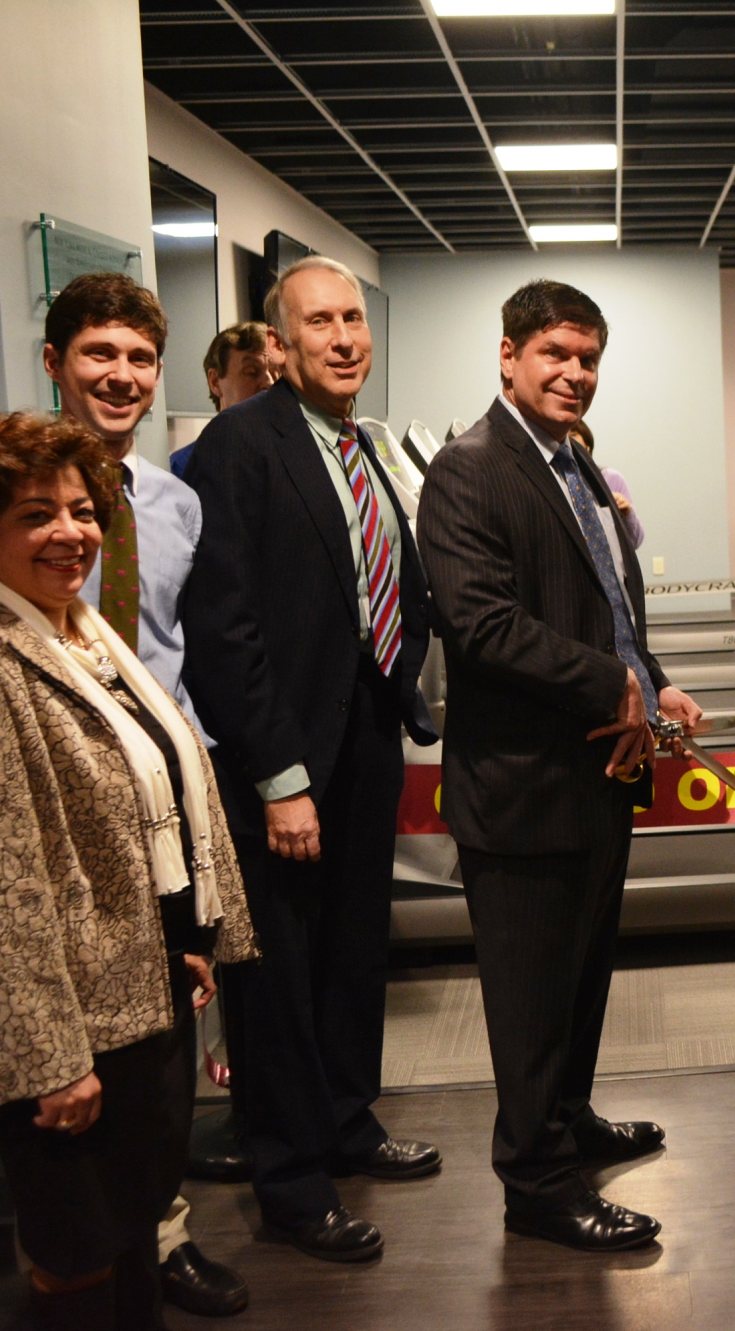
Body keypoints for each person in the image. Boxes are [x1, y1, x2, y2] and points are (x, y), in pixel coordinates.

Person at [0, 273, 247, 1317]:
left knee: (138, 1196)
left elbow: (170, 706)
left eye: (79, 512)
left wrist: (190, 921)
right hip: (65, 960)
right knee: (81, 1240)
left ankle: (155, 1248)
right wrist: (46, 1054)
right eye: (37, 516)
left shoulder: (111, 585)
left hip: (141, 921)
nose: (68, 532)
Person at [417, 279, 704, 1252]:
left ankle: (568, 1120)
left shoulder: (577, 464)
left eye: (587, 360)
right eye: (554, 356)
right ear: (507, 356)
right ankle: (536, 1180)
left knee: (580, 978)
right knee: (530, 996)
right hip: (521, 785)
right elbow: (482, 624)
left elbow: (614, 609)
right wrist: (609, 688)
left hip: (596, 775)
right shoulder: (468, 469)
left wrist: (652, 684)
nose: (574, 375)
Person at [181, 256, 440, 1263]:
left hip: (366, 739)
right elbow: (224, 623)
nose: (342, 338)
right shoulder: (238, 447)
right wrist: (279, 775)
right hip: (285, 762)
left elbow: (382, 574)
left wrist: (404, 677)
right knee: (278, 973)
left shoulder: (360, 444)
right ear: (278, 346)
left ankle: (345, 1121)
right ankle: (290, 1180)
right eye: (318, 323)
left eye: (352, 321)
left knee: (350, 949)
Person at [169, 321, 276, 479]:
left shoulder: (295, 457)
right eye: (252, 372)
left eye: (276, 373)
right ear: (215, 381)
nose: (270, 382)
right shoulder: (184, 467)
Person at [570, 419, 644, 547]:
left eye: (573, 435)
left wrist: (627, 513)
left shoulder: (611, 479)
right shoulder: (553, 480)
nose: (568, 441)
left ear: (587, 447)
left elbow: (635, 541)